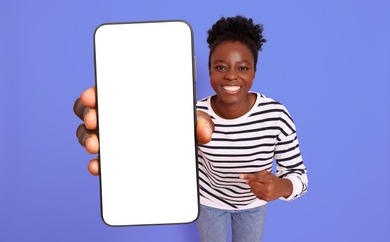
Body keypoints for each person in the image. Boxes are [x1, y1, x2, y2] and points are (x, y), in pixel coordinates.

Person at [74, 15, 308, 242]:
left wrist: (281, 187)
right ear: (209, 70)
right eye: (220, 67)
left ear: (255, 72)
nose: (231, 76)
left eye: (243, 68)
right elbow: (160, 150)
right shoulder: (191, 113)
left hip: (253, 207)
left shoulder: (276, 115)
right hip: (209, 203)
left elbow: (299, 174)